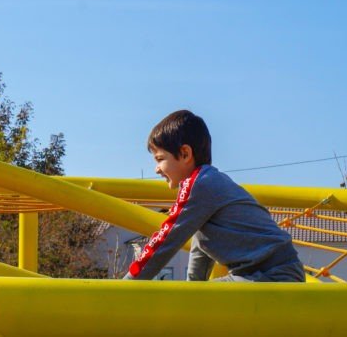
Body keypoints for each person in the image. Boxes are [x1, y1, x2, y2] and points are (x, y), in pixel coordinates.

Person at [123, 110, 304, 282]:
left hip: (271, 274)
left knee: (184, 303)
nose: (156, 169)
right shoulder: (208, 182)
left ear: (185, 154)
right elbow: (200, 247)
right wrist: (193, 286)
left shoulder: (201, 184)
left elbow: (166, 239)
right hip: (273, 272)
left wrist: (127, 286)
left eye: (160, 159)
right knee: (191, 301)